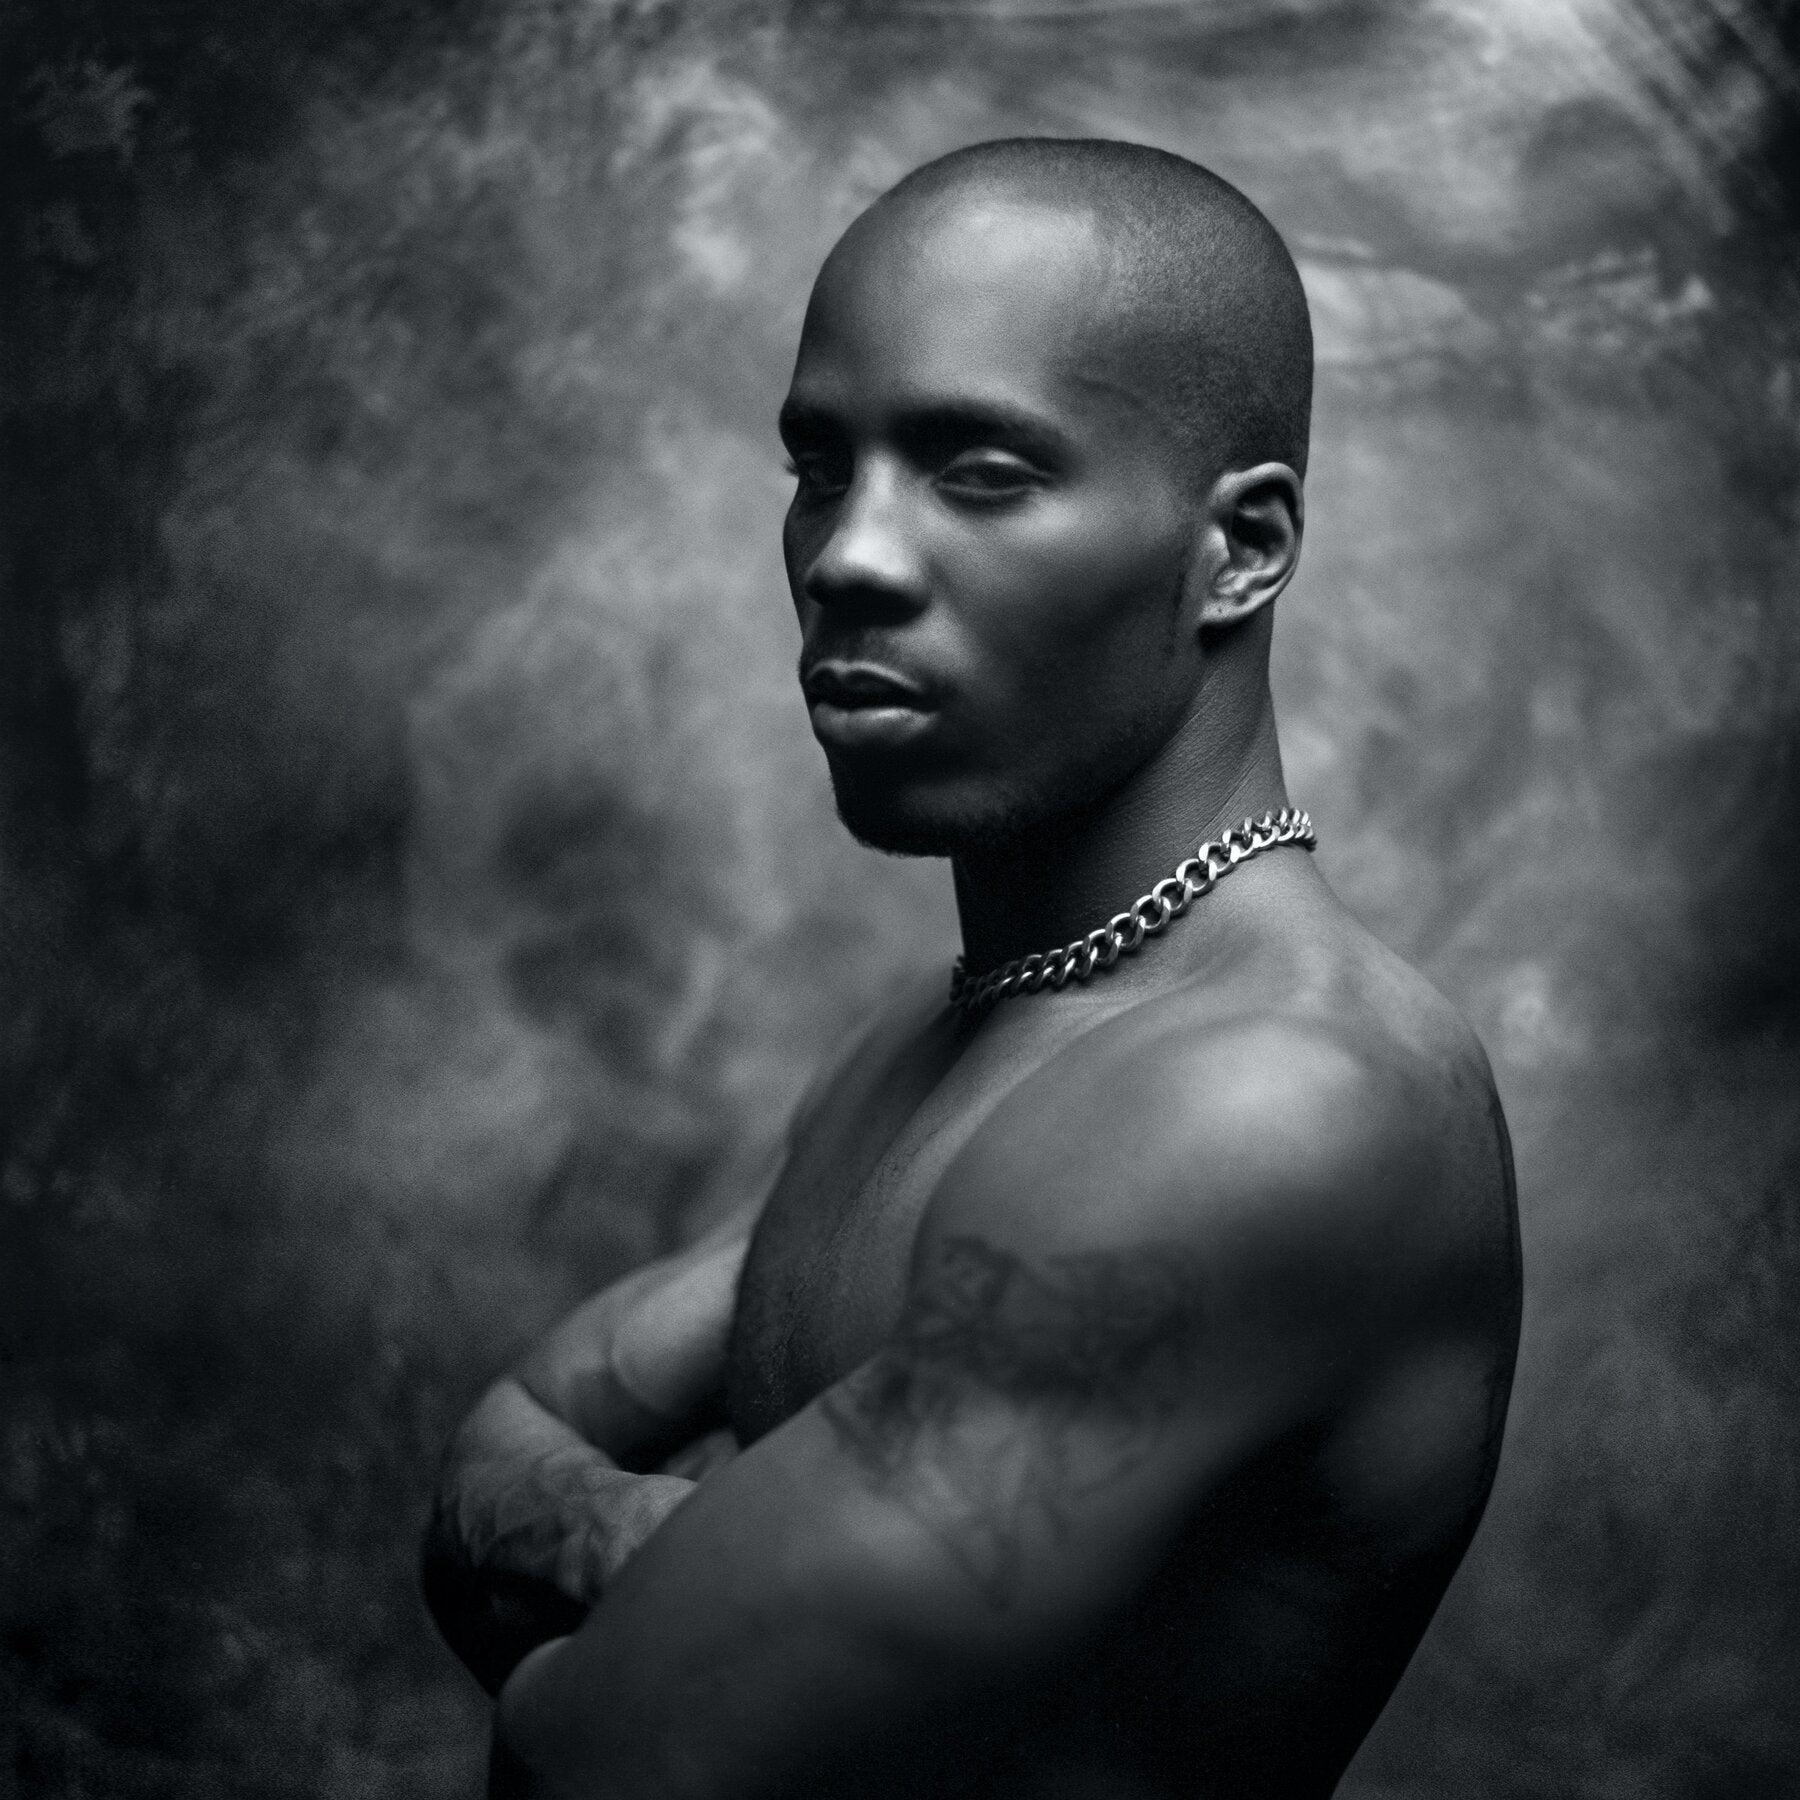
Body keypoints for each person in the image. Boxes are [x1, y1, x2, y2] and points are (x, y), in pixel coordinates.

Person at [421, 136, 1521, 1800]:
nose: (849, 555)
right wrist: (654, 1556)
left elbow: (599, 1751)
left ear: (1238, 550)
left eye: (979, 471)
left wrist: (582, 1547)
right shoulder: (929, 1051)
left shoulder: (1270, 1110)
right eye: (818, 465)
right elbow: (481, 1465)